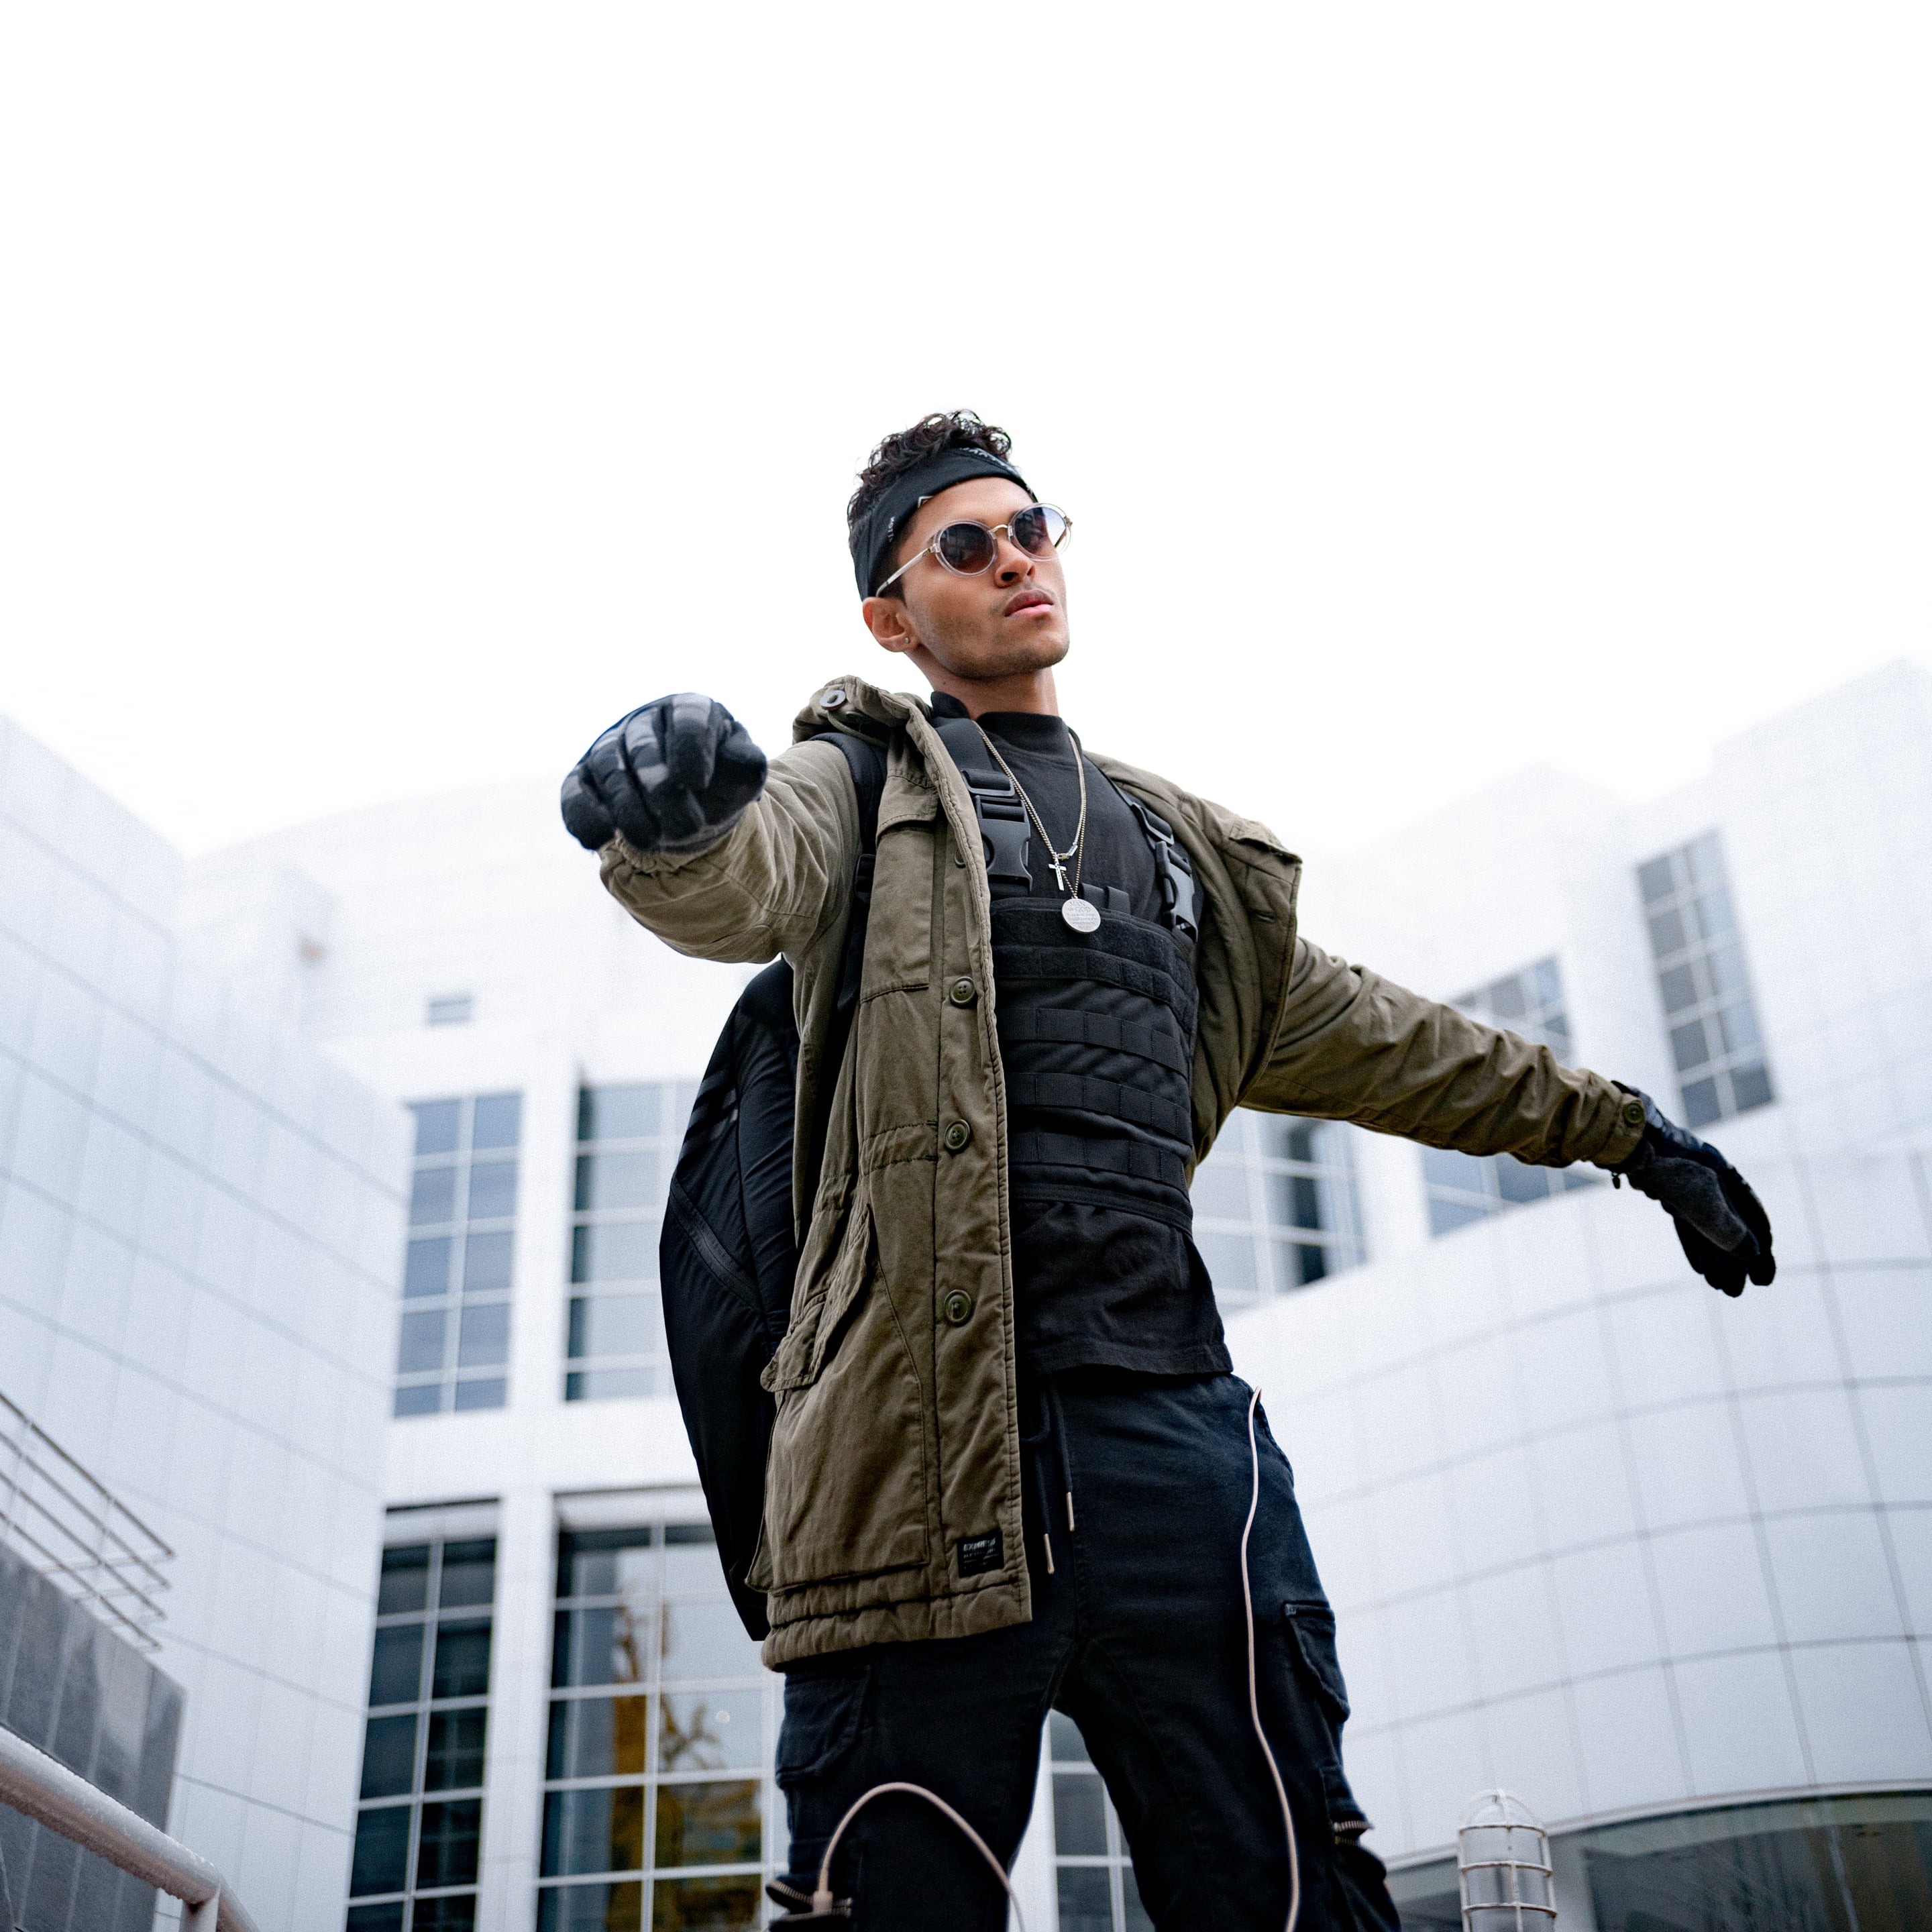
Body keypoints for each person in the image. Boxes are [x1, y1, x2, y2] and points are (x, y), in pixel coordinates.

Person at [559, 411, 1775, 1931]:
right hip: (916, 1468)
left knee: (1295, 1896)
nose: (1016, 561)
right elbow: (745, 877)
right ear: (892, 616)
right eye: (965, 546)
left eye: (1032, 529)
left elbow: (1406, 1044)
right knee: (886, 1895)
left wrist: (1631, 1133)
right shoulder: (856, 782)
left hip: (1189, 1464)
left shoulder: (1184, 856)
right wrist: (674, 823)